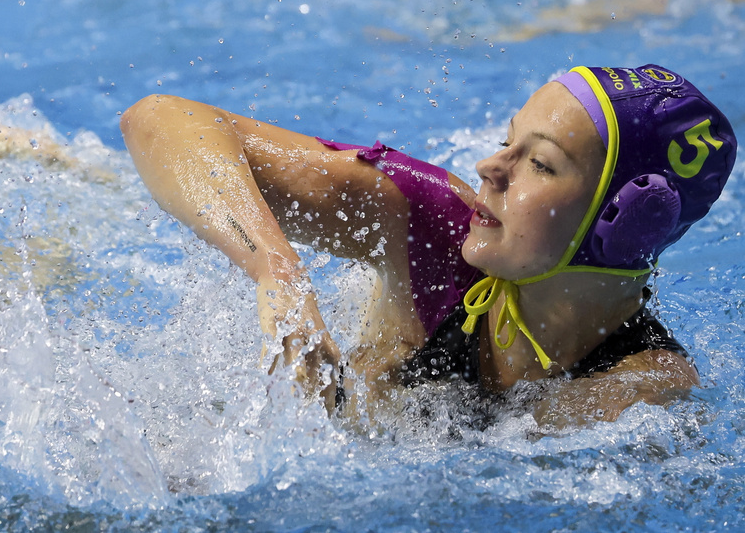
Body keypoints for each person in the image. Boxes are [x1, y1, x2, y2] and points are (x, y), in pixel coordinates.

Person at [119, 64, 737, 429]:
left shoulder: (645, 389)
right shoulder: (437, 227)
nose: (490, 166)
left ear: (623, 225)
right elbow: (159, 119)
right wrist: (273, 267)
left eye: (540, 165)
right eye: (507, 139)